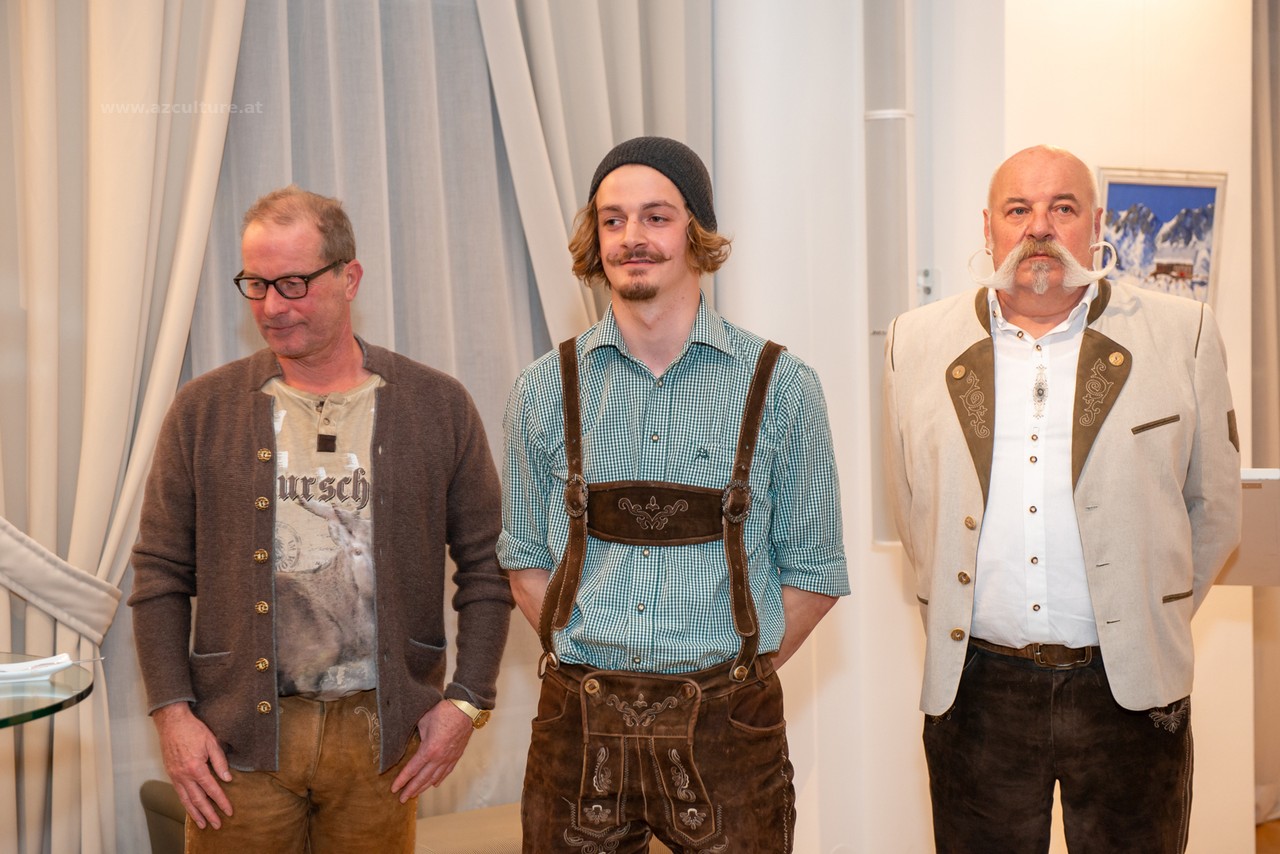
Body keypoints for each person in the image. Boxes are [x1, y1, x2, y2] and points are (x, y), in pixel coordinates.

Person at [129, 186, 512, 853]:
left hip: (382, 746)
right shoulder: (203, 410)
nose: (272, 306)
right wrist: (172, 714)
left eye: (294, 283)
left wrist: (467, 703)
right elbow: (159, 573)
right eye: (256, 284)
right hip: (237, 745)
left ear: (349, 278)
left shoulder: (437, 406)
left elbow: (487, 568)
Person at [882, 144, 1241, 852]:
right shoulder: (914, 342)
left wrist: (1145, 615)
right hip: (977, 694)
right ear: (989, 227)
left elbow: (1215, 512)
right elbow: (912, 507)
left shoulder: (1183, 333)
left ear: (1096, 224)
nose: (1039, 227)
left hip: (1131, 695)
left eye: (1063, 208)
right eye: (1018, 209)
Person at [499, 136, 849, 852]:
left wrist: (730, 678)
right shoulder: (541, 389)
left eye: (656, 217)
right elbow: (526, 561)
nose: (633, 237)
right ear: (595, 240)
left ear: (697, 233)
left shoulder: (784, 386)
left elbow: (815, 574)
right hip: (577, 726)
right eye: (613, 220)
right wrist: (595, 659)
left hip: (728, 727)